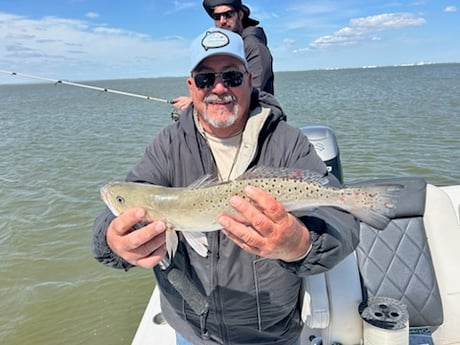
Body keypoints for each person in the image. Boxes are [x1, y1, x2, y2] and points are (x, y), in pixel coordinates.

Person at [92, 28, 359, 345]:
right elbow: (126, 201)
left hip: (272, 334)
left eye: (231, 77)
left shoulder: (288, 141)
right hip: (192, 331)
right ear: (192, 88)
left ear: (249, 81)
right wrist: (113, 240)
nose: (218, 88)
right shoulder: (168, 145)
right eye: (205, 79)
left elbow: (344, 223)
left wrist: (301, 243)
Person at [172, 0, 274, 111]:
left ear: (240, 15)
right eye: (217, 17)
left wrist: (194, 102)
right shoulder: (233, 46)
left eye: (228, 15)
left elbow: (252, 90)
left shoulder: (253, 46)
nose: (222, 21)